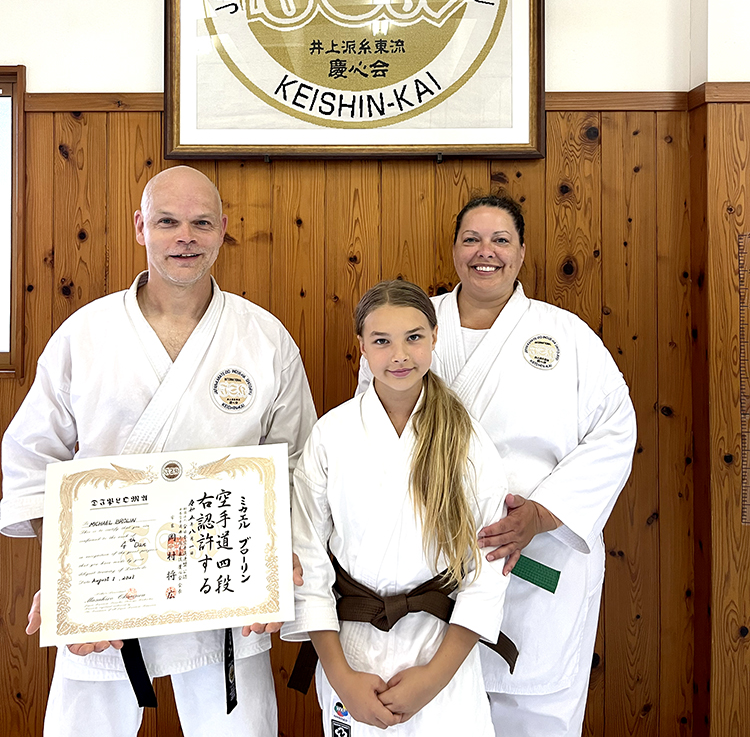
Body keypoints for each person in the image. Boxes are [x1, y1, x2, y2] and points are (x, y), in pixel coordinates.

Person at [0, 165, 317, 737]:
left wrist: (280, 561)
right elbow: (33, 457)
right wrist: (66, 576)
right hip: (105, 585)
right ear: (141, 227)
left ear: (223, 229)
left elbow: (298, 462)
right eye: (168, 222)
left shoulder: (263, 337)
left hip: (228, 583)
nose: (185, 237)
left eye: (201, 223)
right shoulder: (85, 334)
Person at [358, 194, 637, 737]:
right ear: (455, 250)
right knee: (434, 710)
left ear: (522, 252)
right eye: (472, 239)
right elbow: (372, 430)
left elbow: (615, 430)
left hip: (535, 558)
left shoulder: (567, 336)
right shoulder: (413, 326)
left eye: (500, 240)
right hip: (427, 561)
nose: (486, 252)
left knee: (532, 704)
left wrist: (542, 513)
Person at [283, 279, 512, 735]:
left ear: (434, 337)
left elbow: (488, 563)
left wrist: (434, 677)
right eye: (381, 341)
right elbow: (306, 556)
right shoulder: (332, 435)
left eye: (413, 337)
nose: (399, 355)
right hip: (353, 651)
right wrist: (340, 675)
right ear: (361, 347)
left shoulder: (466, 439)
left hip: (440, 650)